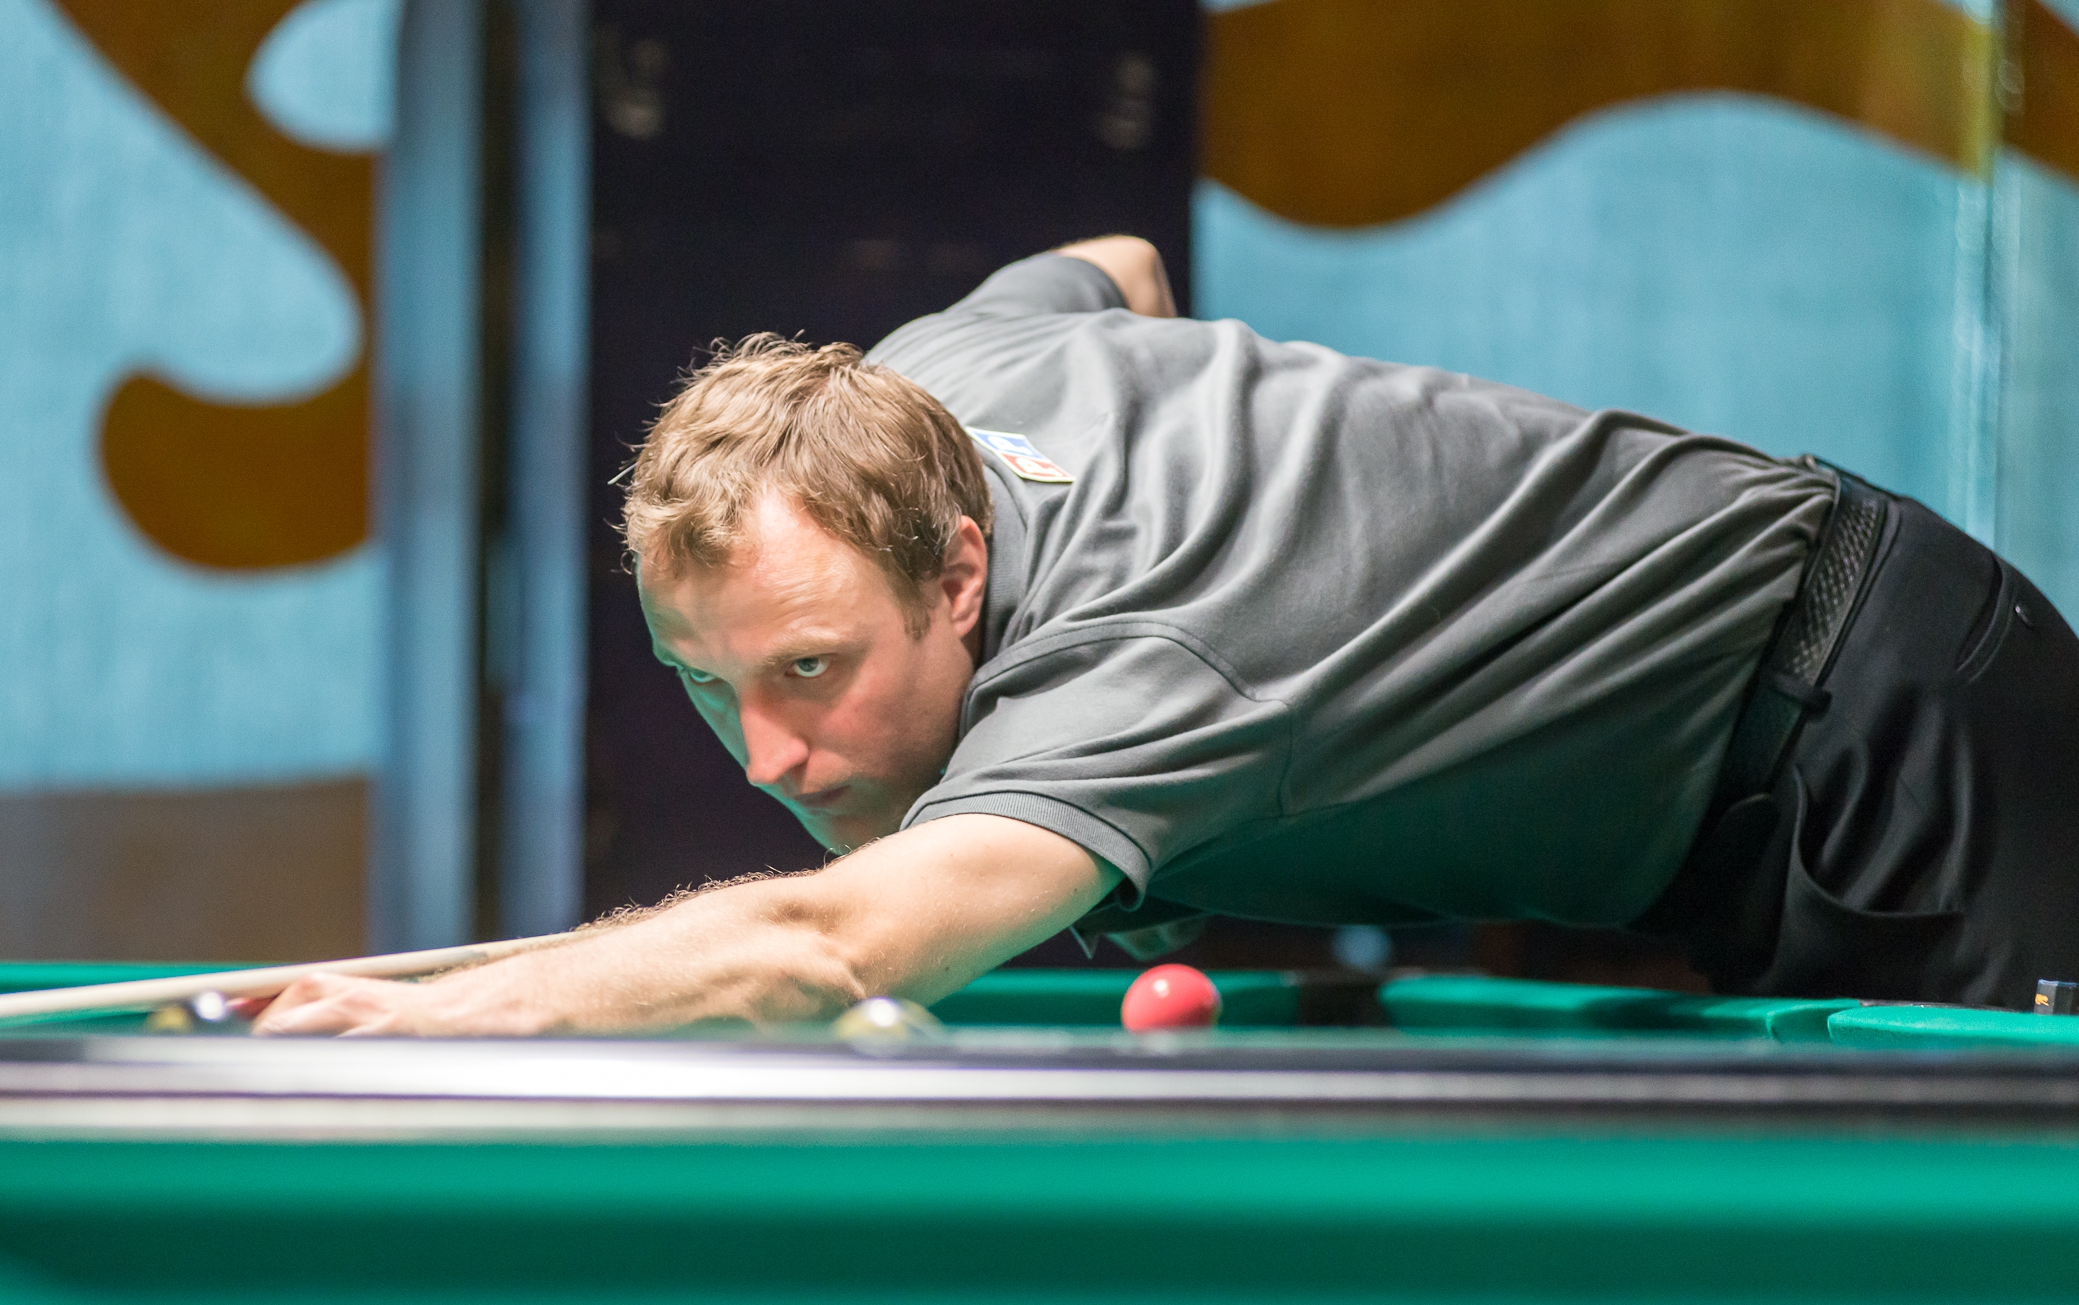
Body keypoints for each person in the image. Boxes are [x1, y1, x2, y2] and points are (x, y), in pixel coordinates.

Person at [259, 236, 2079, 1035]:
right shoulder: (929, 381)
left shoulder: (1138, 666)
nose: (769, 755)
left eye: (810, 669)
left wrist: (445, 1012)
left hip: (1899, 725)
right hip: (1695, 799)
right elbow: (1115, 263)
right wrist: (1303, 485)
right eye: (706, 686)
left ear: (959, 571)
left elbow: (832, 946)